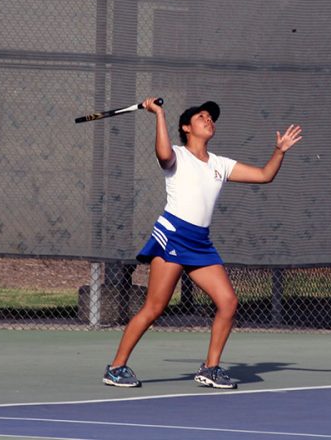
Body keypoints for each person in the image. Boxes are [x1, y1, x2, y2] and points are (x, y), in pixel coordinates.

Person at [103, 97, 302, 390]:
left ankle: (211, 368)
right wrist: (158, 114)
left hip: (200, 243)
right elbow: (162, 153)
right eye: (201, 117)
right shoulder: (177, 156)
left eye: (211, 118)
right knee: (155, 307)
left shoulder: (221, 164)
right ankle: (116, 367)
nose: (209, 120)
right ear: (186, 127)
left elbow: (264, 175)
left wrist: (279, 151)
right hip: (172, 235)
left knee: (228, 302)